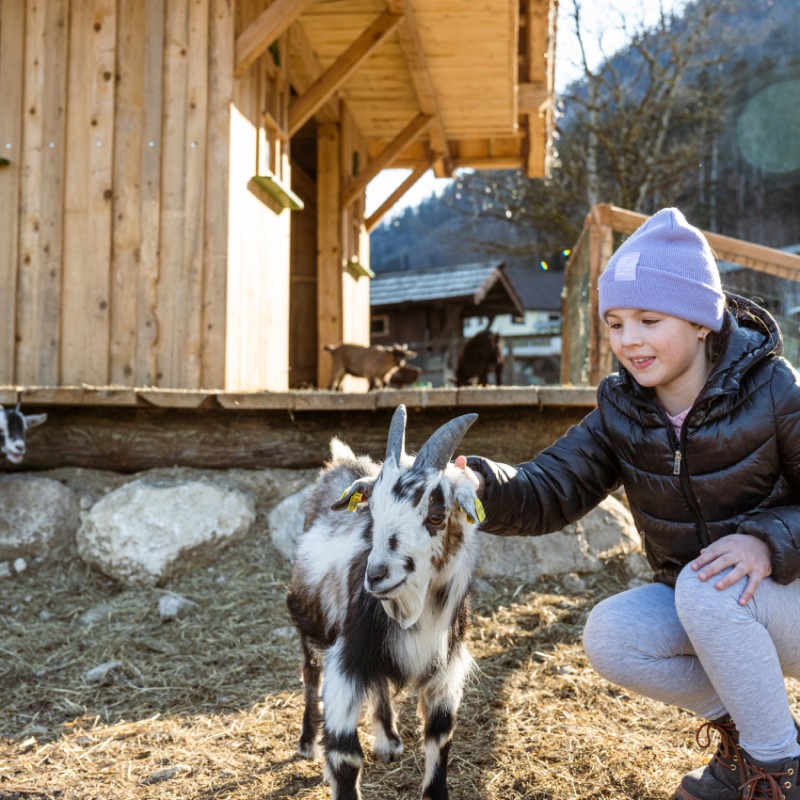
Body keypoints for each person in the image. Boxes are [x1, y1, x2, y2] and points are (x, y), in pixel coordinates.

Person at [456, 207, 800, 800]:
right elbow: (548, 488)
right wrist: (479, 486)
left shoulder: (775, 390)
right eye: (615, 323)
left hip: (786, 597)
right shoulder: (624, 410)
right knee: (613, 634)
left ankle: (781, 776)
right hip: (715, 604)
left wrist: (768, 540)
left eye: (648, 318)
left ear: (701, 320)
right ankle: (755, 745)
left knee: (702, 585)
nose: (629, 340)